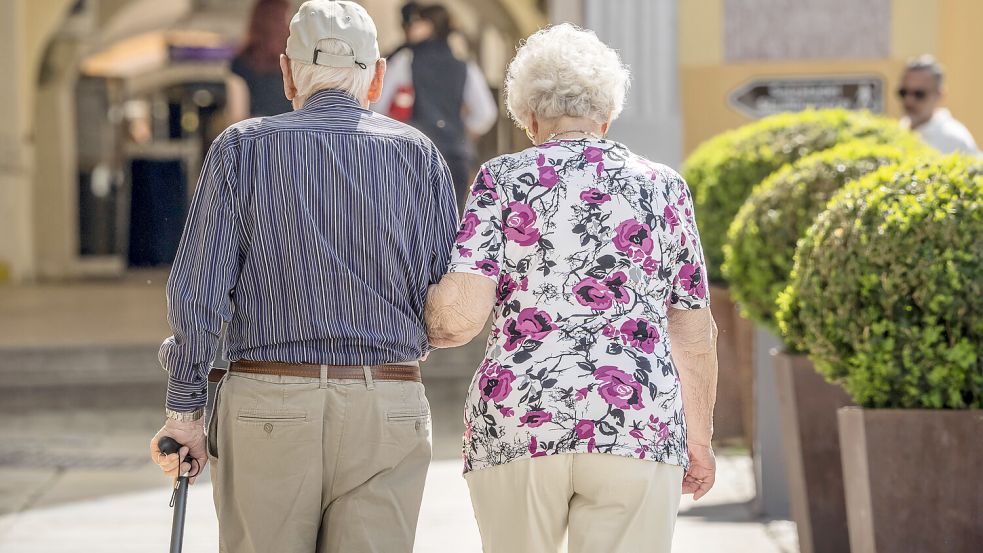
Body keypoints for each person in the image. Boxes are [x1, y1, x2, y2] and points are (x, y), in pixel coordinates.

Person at [148, 2, 459, 552]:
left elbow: (200, 292)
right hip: (385, 403)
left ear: (287, 74)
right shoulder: (419, 156)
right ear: (377, 76)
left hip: (267, 401)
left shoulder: (242, 148)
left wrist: (185, 411)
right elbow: (443, 298)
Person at [424, 24, 719, 553]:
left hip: (520, 418)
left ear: (529, 117)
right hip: (637, 421)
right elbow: (694, 332)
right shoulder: (664, 187)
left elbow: (462, 316)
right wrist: (698, 437)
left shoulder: (501, 179)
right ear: (607, 115)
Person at [375, 3, 497, 208]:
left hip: (415, 156)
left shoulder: (406, 60)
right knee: (452, 218)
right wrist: (461, 132)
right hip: (455, 158)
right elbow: (486, 113)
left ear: (429, 26)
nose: (410, 28)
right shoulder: (464, 66)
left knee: (415, 218)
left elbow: (377, 105)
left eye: (417, 22)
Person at [226, 0, 293, 121]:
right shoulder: (294, 59)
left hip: (257, 129)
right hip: (293, 129)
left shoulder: (240, 62)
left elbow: (237, 115)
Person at [898, 55, 979, 155]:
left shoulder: (955, 139)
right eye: (903, 92)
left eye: (919, 94)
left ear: (940, 95)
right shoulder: (899, 129)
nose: (909, 101)